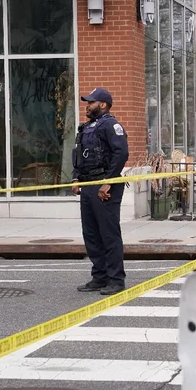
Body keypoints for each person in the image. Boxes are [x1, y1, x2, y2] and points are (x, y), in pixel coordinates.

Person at [72, 87, 129, 295]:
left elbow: (121, 153)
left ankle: (116, 280)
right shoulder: (86, 128)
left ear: (102, 104)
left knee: (108, 234)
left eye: (91, 102)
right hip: (87, 186)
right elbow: (78, 153)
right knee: (91, 235)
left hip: (105, 186)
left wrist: (109, 182)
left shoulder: (111, 125)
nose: (87, 106)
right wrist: (76, 177)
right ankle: (100, 277)